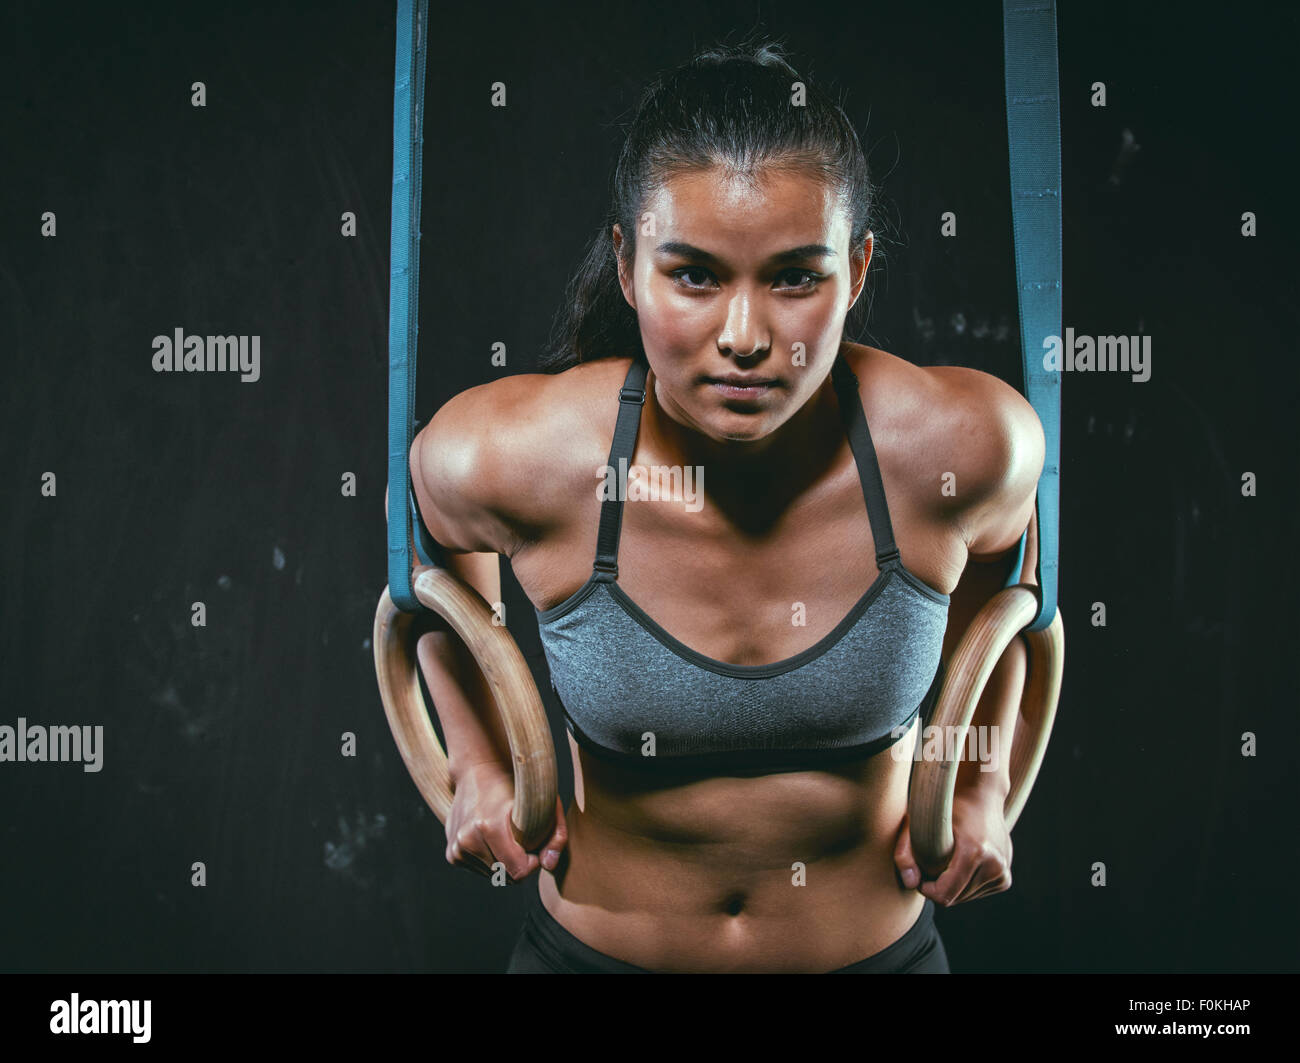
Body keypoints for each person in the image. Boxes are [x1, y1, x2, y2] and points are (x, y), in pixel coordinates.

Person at [407, 38, 1044, 973]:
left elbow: (1010, 607)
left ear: (857, 271)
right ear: (628, 269)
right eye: (695, 275)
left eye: (795, 276)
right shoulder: (515, 457)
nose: (745, 338)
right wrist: (477, 763)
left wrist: (982, 783)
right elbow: (424, 568)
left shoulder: (964, 448)